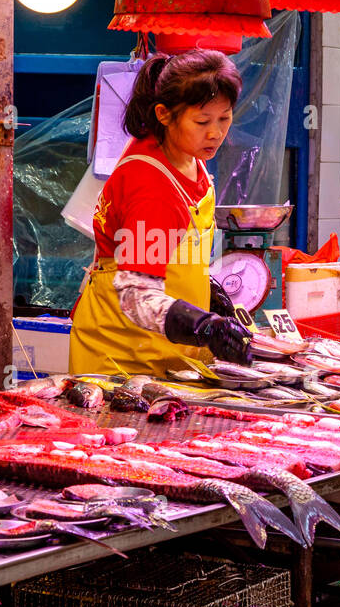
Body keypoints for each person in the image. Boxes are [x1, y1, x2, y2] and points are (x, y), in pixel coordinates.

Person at [69, 50, 252, 375]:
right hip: (123, 361)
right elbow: (135, 294)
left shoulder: (186, 155)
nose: (215, 133)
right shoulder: (152, 185)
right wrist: (203, 326)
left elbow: (172, 252)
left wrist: (205, 289)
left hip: (165, 355)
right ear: (164, 114)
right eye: (202, 121)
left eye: (224, 118)